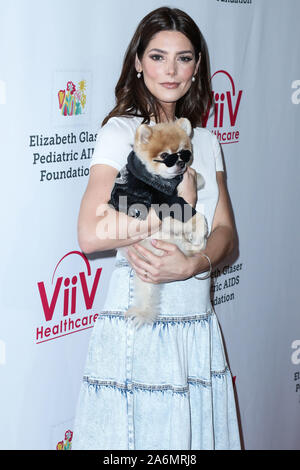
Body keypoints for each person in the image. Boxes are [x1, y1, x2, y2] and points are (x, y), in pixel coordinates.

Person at [72, 6, 241, 450]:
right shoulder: (123, 133)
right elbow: (90, 234)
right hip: (141, 325)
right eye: (157, 56)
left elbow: (225, 233)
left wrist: (192, 264)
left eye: (184, 58)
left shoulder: (204, 141)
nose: (171, 70)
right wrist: (172, 209)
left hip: (197, 326)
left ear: (197, 67)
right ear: (138, 61)